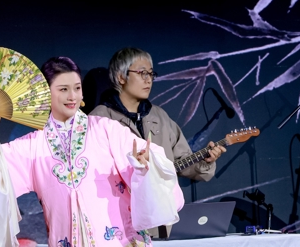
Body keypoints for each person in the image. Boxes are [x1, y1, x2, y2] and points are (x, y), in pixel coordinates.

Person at [0, 55, 183, 247]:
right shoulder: (34, 147)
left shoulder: (106, 130)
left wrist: (144, 165)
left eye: (76, 88)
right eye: (63, 89)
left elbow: (149, 168)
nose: (72, 96)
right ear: (46, 94)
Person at [90, 47, 226, 182]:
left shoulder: (160, 116)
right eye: (142, 73)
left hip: (160, 196)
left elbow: (183, 161)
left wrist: (206, 161)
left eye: (151, 74)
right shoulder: (99, 119)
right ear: (121, 77)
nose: (149, 80)